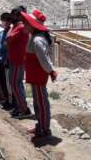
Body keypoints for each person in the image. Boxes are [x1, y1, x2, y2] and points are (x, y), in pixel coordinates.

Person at [21, 9, 58, 141]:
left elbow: (43, 59)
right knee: (38, 102)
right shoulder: (34, 38)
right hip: (34, 76)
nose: (23, 24)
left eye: (26, 22)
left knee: (42, 103)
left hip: (38, 76)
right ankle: (40, 125)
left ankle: (45, 130)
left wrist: (51, 71)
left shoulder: (37, 40)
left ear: (32, 25)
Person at [7, 6, 31, 117]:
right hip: (14, 59)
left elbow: (9, 39)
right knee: (16, 84)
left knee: (15, 84)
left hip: (18, 60)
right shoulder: (15, 27)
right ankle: (21, 106)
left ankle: (23, 108)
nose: (11, 17)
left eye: (13, 15)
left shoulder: (20, 27)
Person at [0, 13, 13, 109]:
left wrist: (7, 59)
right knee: (2, 82)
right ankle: (6, 99)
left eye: (6, 20)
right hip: (0, 60)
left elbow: (9, 48)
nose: (4, 22)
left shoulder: (10, 32)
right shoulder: (2, 33)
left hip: (6, 61)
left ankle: (10, 102)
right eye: (3, 20)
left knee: (8, 84)